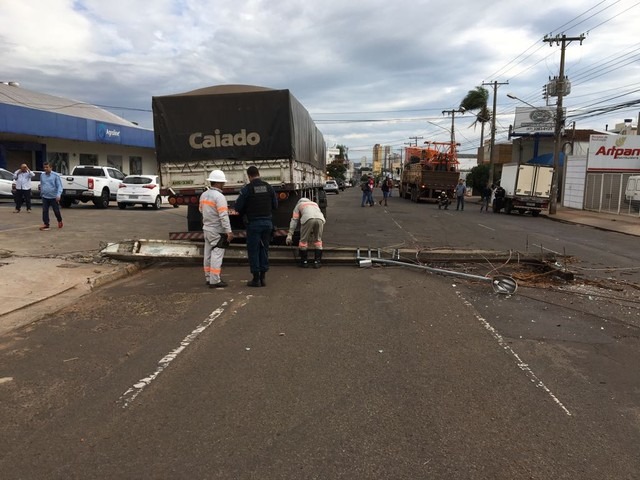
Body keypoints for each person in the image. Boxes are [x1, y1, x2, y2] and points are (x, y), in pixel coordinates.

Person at [234, 166, 278, 287]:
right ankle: (263, 278)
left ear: (249, 176)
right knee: (264, 249)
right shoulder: (269, 187)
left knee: (253, 251)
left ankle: (256, 279)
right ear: (259, 173)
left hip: (253, 224)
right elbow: (275, 205)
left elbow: (238, 208)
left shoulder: (247, 189)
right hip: (268, 224)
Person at [200, 169, 234, 288]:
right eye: (223, 183)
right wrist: (228, 231)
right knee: (217, 253)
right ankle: (215, 280)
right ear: (219, 183)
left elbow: (200, 210)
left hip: (207, 228)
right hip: (216, 230)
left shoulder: (204, 195)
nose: (224, 185)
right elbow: (223, 216)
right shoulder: (219, 197)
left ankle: (208, 277)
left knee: (208, 254)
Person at [286, 197, 326, 268]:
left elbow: (294, 220)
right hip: (320, 219)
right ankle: (317, 262)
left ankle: (304, 262)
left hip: (308, 218)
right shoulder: (314, 204)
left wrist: (290, 234)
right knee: (318, 240)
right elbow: (316, 215)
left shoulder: (299, 205)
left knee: (303, 241)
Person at [39, 162, 63, 231]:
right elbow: (42, 184)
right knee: (45, 211)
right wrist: (42, 192)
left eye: (47, 167)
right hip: (45, 196)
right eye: (44, 167)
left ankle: (59, 220)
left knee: (56, 211)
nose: (45, 169)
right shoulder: (42, 175)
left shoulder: (55, 175)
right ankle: (46, 224)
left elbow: (59, 186)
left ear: (51, 168)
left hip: (53, 197)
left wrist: (58, 195)